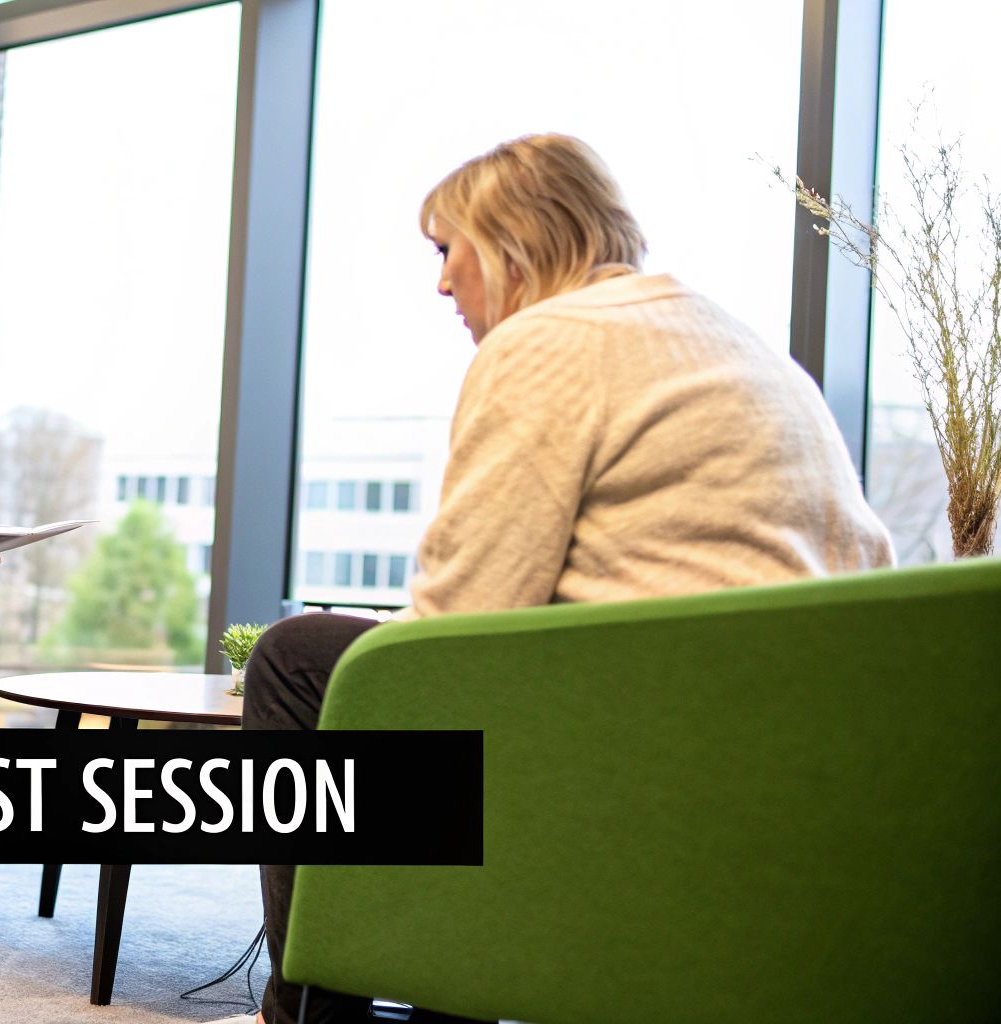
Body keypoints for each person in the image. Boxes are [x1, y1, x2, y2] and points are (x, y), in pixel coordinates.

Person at [241, 134, 896, 1023]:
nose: (441, 285)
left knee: (298, 657)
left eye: (447, 251)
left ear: (510, 244)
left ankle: (311, 1015)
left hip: (642, 740)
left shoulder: (545, 342)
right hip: (792, 743)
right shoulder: (735, 341)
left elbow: (461, 626)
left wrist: (387, 649)